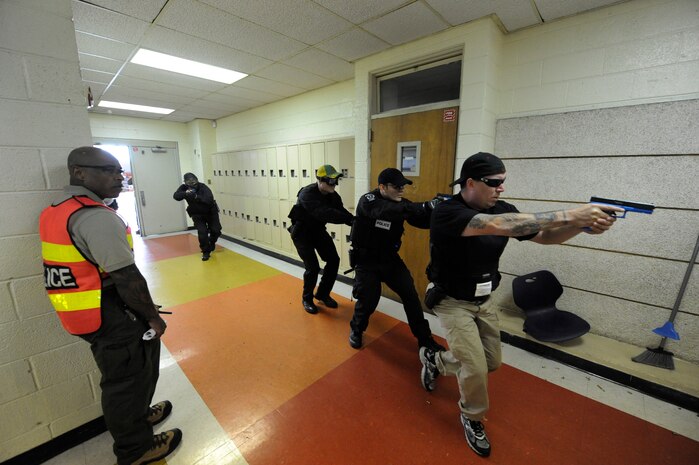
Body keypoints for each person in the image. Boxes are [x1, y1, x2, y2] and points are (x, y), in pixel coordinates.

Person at [418, 152, 622, 458]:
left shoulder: (503, 208)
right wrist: (572, 213)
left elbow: (546, 237)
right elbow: (497, 224)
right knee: (474, 366)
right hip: (451, 300)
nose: (501, 189)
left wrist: (583, 226)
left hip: (484, 299)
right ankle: (472, 416)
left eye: (503, 183)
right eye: (494, 183)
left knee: (491, 362)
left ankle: (436, 362)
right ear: (470, 182)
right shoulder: (447, 212)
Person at [39, 146, 182, 465]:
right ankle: (136, 450)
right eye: (108, 170)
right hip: (111, 312)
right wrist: (153, 317)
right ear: (79, 172)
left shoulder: (58, 209)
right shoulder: (93, 216)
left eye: (120, 171)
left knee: (133, 375)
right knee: (127, 383)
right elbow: (127, 277)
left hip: (84, 308)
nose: (119, 177)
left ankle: (141, 415)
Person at [348, 168, 445, 352]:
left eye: (403, 186)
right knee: (368, 299)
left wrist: (438, 212)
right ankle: (357, 329)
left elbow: (418, 218)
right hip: (366, 261)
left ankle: (425, 339)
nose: (401, 190)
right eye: (396, 186)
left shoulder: (401, 204)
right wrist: (424, 206)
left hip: (389, 260)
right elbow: (385, 211)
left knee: (410, 296)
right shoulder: (369, 201)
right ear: (382, 186)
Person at [288, 164, 354, 314]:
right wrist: (346, 218)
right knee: (313, 268)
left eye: (336, 181)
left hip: (317, 231)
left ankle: (323, 294)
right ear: (320, 179)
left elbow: (340, 211)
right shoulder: (307, 194)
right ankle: (307, 299)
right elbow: (325, 213)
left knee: (333, 260)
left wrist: (353, 220)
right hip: (302, 233)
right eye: (330, 181)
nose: (334, 184)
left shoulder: (333, 195)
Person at [173, 173, 221, 261]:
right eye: (189, 182)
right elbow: (176, 196)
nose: (192, 184)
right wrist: (186, 193)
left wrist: (196, 196)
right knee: (202, 233)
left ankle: (212, 241)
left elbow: (209, 199)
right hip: (197, 214)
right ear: (185, 183)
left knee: (216, 230)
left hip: (210, 212)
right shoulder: (184, 188)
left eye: (194, 182)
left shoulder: (203, 187)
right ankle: (205, 252)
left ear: (197, 180)